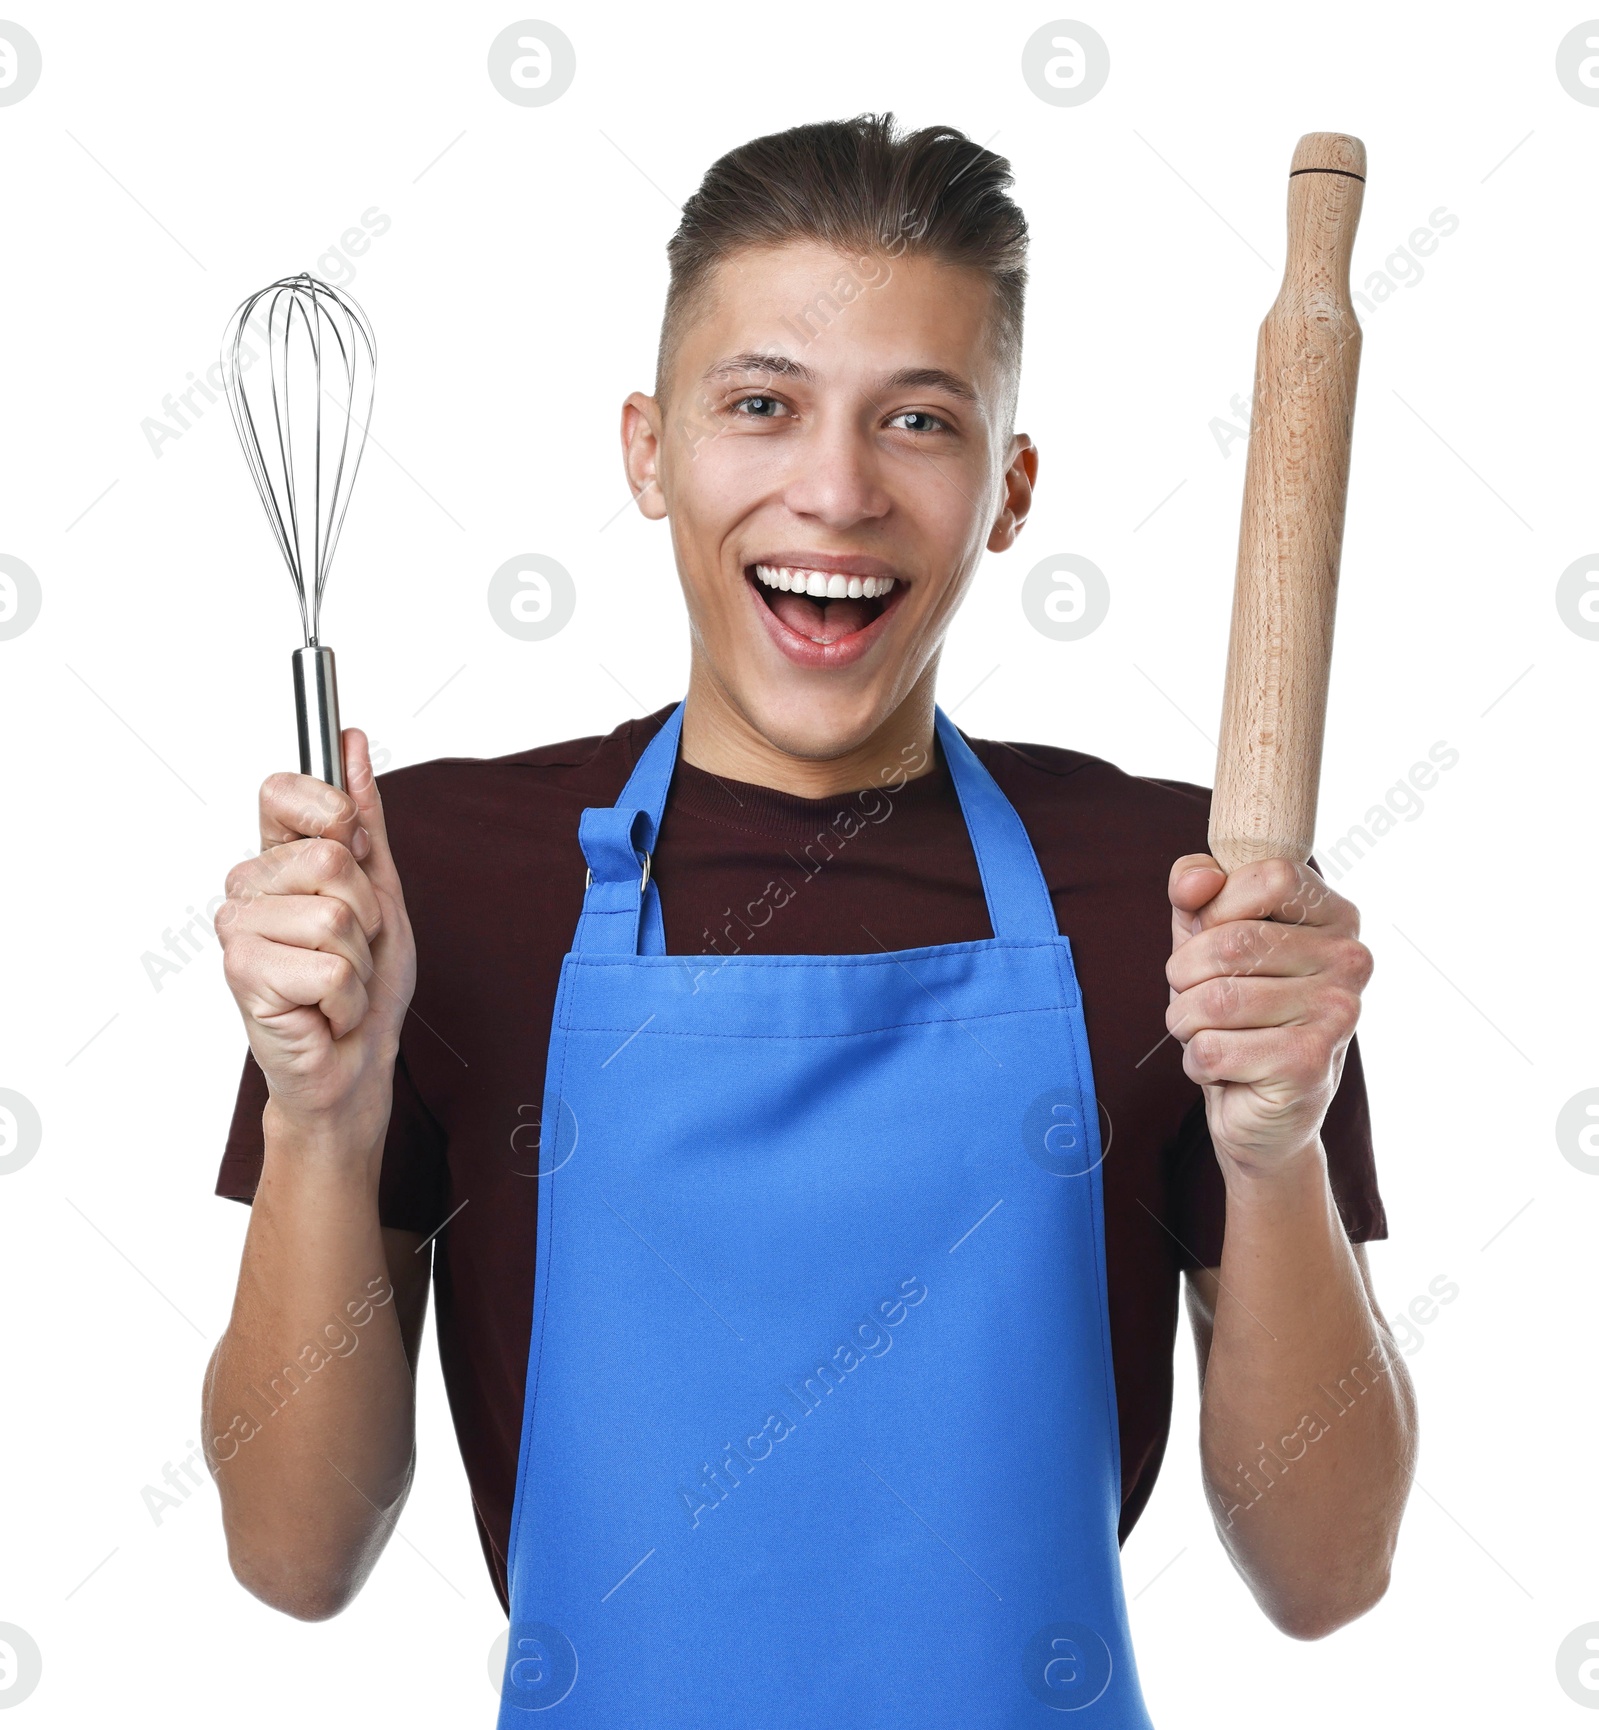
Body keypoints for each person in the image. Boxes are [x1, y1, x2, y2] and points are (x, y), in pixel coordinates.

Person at [206, 114, 1415, 1722]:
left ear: (1010, 487)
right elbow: (296, 1555)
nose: (835, 491)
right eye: (760, 405)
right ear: (648, 448)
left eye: (919, 420)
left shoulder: (1191, 900)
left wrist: (1274, 1154)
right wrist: (321, 1116)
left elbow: (1326, 1575)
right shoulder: (421, 887)